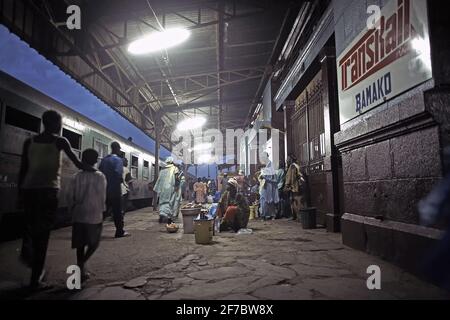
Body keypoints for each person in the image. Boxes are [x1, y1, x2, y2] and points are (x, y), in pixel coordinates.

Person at [18, 110, 92, 290]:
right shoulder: (60, 141)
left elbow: (23, 169)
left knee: (31, 229)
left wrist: (19, 195)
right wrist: (94, 171)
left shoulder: (30, 141)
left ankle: (32, 261)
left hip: (29, 191)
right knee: (43, 235)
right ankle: (35, 280)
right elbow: (78, 164)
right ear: (53, 123)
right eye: (59, 122)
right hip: (48, 191)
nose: (60, 126)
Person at [69, 149, 106, 282]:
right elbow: (102, 196)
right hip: (94, 214)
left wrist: (71, 211)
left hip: (79, 214)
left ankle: (80, 266)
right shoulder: (100, 176)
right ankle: (81, 264)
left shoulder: (76, 176)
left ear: (82, 159)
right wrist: (103, 210)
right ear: (96, 160)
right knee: (94, 243)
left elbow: (71, 196)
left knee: (80, 244)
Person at [99, 142, 130, 238]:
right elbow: (118, 174)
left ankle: (94, 230)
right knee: (117, 212)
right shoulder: (118, 160)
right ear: (117, 149)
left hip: (104, 189)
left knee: (103, 211)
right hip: (115, 190)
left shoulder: (104, 160)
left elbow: (100, 172)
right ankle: (119, 231)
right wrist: (121, 180)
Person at [153, 157, 180, 224]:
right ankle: (169, 218)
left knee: (162, 202)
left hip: (163, 189)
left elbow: (159, 179)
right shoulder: (174, 168)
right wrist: (177, 186)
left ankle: (161, 216)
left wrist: (158, 188)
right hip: (170, 188)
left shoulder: (162, 169)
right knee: (170, 202)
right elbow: (177, 178)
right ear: (172, 162)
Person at [284, 154, 307, 221]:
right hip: (296, 185)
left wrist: (287, 185)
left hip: (295, 186)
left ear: (290, 159)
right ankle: (295, 216)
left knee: (297, 201)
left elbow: (292, 177)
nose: (286, 161)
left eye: (287, 159)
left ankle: (299, 217)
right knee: (294, 200)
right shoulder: (296, 165)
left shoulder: (293, 166)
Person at [259, 153, 279, 220]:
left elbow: (274, 178)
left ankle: (272, 215)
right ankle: (263, 215)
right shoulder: (263, 165)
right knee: (263, 200)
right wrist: (261, 177)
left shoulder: (271, 165)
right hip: (264, 185)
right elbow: (261, 175)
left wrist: (265, 178)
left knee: (270, 200)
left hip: (270, 185)